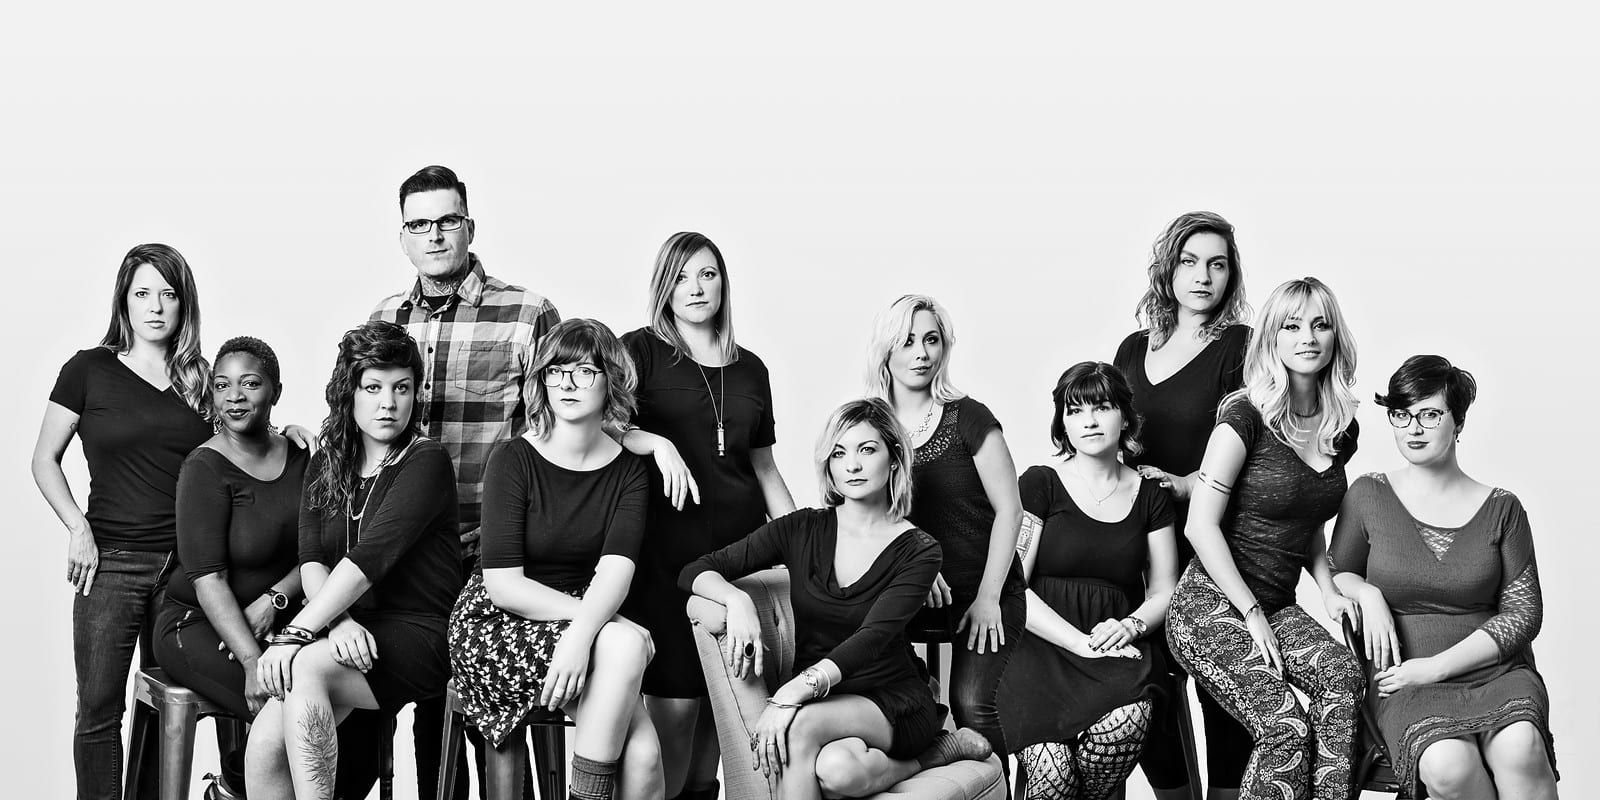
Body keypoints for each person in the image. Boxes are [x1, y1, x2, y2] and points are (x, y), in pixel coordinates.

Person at [679, 398, 993, 800]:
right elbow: (696, 570)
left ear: (895, 459)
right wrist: (736, 601)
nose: (853, 465)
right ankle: (936, 755)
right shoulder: (800, 528)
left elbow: (873, 637)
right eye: (839, 453)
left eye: (867, 450)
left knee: (799, 726)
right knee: (838, 771)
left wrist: (793, 692)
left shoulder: (919, 550)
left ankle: (927, 744)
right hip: (824, 698)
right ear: (828, 465)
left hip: (890, 698)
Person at [365, 164, 562, 799]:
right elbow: (358, 420)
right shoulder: (385, 318)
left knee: (490, 724)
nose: (435, 235)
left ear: (469, 226)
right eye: (419, 225)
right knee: (417, 711)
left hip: (488, 547)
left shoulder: (526, 312)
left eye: (447, 221)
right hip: (402, 554)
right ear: (403, 237)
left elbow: (562, 421)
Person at [1164, 277, 1364, 800]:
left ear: (1335, 337)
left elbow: (1308, 515)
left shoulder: (1339, 427)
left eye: (1320, 324)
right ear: (1272, 337)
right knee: (1286, 729)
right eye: (1292, 325)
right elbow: (1199, 525)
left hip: (1275, 603)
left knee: (1342, 680)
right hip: (1208, 606)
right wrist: (1251, 615)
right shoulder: (1244, 416)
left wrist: (1327, 589)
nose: (1308, 337)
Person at [246, 320, 464, 799]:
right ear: (350, 392)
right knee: (265, 740)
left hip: (422, 631)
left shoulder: (426, 461)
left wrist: (298, 633)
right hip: (351, 630)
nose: (389, 403)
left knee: (302, 667)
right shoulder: (328, 462)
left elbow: (369, 559)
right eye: (374, 387)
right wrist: (337, 622)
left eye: (402, 389)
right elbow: (311, 560)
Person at [32, 243, 218, 800]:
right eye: (143, 293)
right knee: (98, 709)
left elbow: (242, 447)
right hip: (109, 563)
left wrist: (292, 435)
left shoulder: (201, 378)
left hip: (186, 570)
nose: (156, 307)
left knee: (168, 705)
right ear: (124, 301)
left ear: (185, 305)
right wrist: (76, 527)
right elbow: (44, 459)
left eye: (169, 294)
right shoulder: (88, 370)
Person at [617, 231, 797, 800]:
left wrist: (804, 546)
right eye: (682, 275)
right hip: (665, 560)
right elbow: (600, 421)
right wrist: (654, 443)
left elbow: (765, 470)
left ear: (724, 284)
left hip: (738, 562)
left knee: (721, 723)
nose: (695, 288)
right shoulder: (638, 350)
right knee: (674, 716)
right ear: (662, 286)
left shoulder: (752, 370)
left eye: (708, 274)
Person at [449, 318, 661, 800]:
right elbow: (503, 584)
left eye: (583, 371)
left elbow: (615, 572)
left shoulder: (629, 471)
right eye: (555, 371)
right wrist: (597, 625)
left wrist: (584, 632)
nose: (566, 384)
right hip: (498, 619)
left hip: (580, 617)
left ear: (611, 379)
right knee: (626, 644)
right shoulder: (513, 459)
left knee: (646, 757)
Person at [1330, 356, 1558, 799]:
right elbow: (1335, 571)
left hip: (1493, 672)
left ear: (1459, 422)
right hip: (1402, 680)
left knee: (1521, 748)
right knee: (1447, 766)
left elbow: (1524, 614)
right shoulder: (1368, 494)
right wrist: (1367, 591)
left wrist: (1435, 668)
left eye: (1430, 414)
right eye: (1401, 414)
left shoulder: (1502, 509)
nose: (1413, 428)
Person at [1113, 211, 1253, 800]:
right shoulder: (1131, 348)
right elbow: (1108, 438)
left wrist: (1185, 483)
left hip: (1213, 534)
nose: (1203, 276)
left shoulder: (1241, 348)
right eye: (1190, 262)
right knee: (1145, 682)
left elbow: (1256, 442)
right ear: (1168, 269)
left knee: (1221, 687)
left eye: (1217, 264)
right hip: (1139, 537)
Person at [999, 362, 1179, 800]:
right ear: (1062, 422)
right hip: (1040, 646)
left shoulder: (1151, 495)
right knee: (1053, 773)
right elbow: (1013, 586)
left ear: (1124, 416)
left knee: (1128, 721)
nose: (1091, 421)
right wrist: (1077, 642)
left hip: (1113, 644)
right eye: (1075, 410)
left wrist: (1130, 625)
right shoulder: (1041, 483)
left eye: (1102, 407)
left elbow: (1164, 589)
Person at [864, 294, 1026, 760]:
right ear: (886, 351)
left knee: (971, 704)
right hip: (910, 592)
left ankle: (994, 792)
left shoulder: (969, 417)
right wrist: (914, 568)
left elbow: (1011, 510)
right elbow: (858, 515)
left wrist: (990, 598)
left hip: (985, 591)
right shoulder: (869, 425)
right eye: (907, 341)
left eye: (931, 340)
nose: (920, 353)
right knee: (888, 700)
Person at [152, 337, 307, 797]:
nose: (234, 397)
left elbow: (319, 551)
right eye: (222, 385)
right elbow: (208, 579)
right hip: (197, 624)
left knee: (338, 707)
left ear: (276, 390)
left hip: (279, 620)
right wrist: (252, 662)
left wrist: (275, 598)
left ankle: (233, 787)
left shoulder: (303, 456)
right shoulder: (204, 467)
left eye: (250, 384)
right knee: (290, 707)